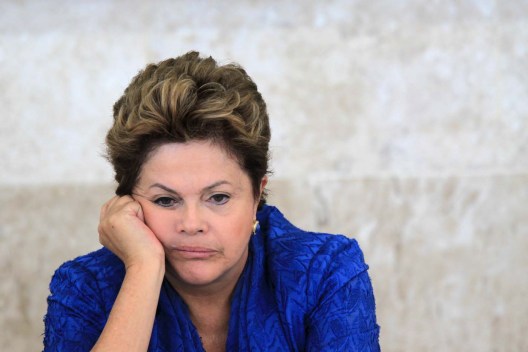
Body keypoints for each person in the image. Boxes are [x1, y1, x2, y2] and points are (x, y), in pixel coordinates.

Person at [43, 51, 380, 351]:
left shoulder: (324, 273)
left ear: (256, 195)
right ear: (128, 204)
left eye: (218, 197)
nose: (192, 224)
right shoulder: (84, 286)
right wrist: (143, 269)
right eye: (165, 200)